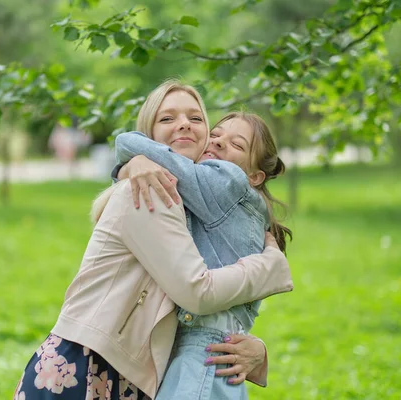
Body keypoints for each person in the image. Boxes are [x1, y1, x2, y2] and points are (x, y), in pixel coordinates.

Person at [13, 80, 293, 400]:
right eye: (167, 118)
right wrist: (270, 267)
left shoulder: (194, 202)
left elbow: (206, 303)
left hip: (131, 374)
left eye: (197, 118)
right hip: (90, 369)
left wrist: (254, 348)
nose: (184, 124)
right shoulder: (148, 193)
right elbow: (197, 292)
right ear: (150, 135)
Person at [113, 81, 293, 399]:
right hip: (199, 353)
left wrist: (135, 153)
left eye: (236, 145)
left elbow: (128, 142)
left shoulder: (226, 182)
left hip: (203, 356)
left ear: (254, 177)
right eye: (217, 136)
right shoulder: (218, 199)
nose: (219, 144)